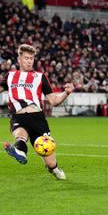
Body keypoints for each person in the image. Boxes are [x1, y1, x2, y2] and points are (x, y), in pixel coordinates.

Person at [0, 44, 74, 180]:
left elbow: (53, 101)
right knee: (20, 135)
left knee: (50, 162)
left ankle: (54, 169)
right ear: (19, 59)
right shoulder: (9, 76)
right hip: (18, 116)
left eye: (32, 58)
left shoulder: (40, 77)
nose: (29, 61)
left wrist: (66, 93)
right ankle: (20, 152)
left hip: (37, 118)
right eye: (26, 58)